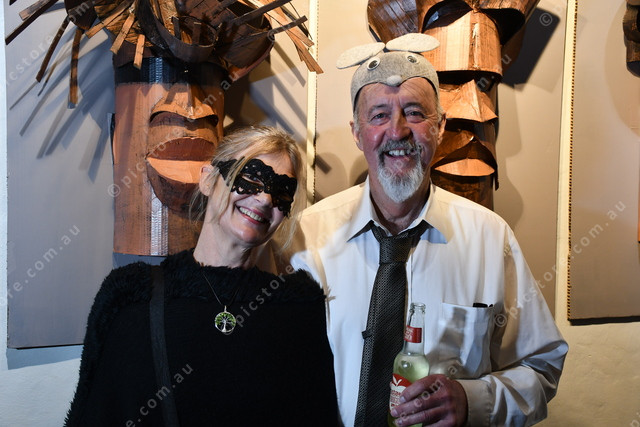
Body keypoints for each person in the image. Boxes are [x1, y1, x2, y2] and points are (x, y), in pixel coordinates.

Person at [287, 34, 568, 426]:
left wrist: (473, 401)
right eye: (379, 115)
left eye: (415, 113)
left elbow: (542, 366)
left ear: (440, 127)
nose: (398, 131)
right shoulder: (307, 235)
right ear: (357, 133)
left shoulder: (490, 239)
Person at [65, 126, 340, 426]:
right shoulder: (132, 298)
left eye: (282, 192)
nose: (265, 199)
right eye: (250, 179)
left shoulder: (297, 308)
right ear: (208, 180)